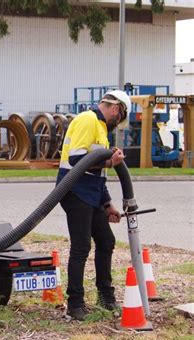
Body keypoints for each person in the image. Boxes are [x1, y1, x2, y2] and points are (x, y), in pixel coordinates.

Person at [56, 90, 132, 321]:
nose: (116, 123)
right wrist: (110, 160)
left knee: (106, 240)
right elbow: (77, 160)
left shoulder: (100, 128)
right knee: (81, 247)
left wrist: (107, 204)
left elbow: (99, 174)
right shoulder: (88, 120)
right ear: (117, 110)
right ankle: (75, 303)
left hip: (90, 192)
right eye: (119, 118)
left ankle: (105, 296)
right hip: (75, 190)